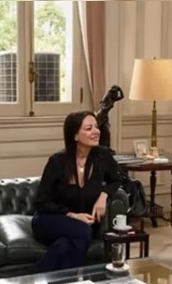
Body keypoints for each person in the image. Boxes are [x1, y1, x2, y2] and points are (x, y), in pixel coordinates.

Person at [32, 111, 121, 272]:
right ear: (75, 136)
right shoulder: (57, 161)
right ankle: (75, 281)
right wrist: (73, 215)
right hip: (50, 220)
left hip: (83, 223)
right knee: (82, 231)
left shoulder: (103, 156)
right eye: (88, 128)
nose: (96, 131)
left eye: (96, 126)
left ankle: (35, 277)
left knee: (65, 245)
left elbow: (116, 180)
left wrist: (104, 195)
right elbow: (41, 202)